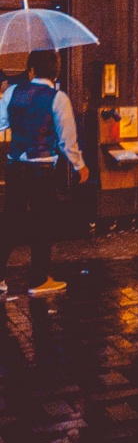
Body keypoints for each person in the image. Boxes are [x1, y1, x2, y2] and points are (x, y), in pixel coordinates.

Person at [0, 49, 89, 297]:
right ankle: (38, 279)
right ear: (56, 71)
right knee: (43, 222)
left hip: (15, 165)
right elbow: (66, 140)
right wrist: (79, 165)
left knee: (9, 221)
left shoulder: (12, 93)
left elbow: (0, 123)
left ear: (31, 71)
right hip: (41, 169)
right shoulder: (58, 98)